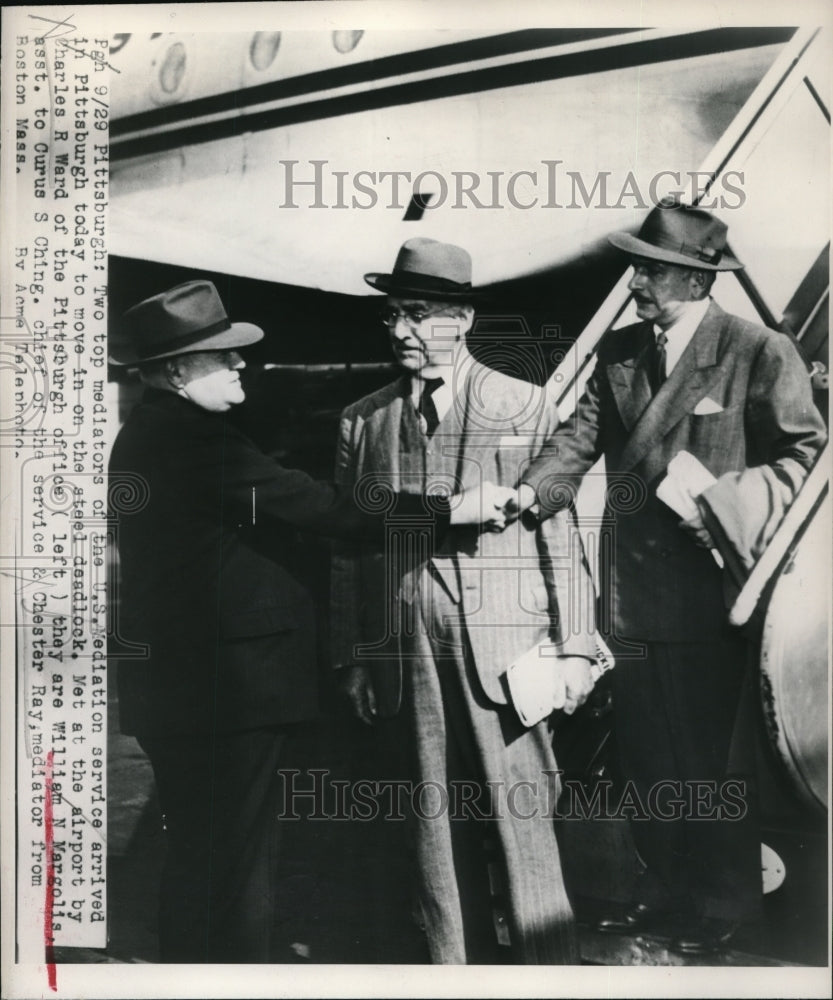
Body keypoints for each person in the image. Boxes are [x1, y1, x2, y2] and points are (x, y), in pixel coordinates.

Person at [108, 278, 509, 963]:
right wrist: (451, 511)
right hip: (225, 694)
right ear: (175, 370)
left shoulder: (158, 433)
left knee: (205, 860)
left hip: (192, 691)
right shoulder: (190, 441)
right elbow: (324, 510)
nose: (241, 365)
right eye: (221, 356)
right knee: (232, 870)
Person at [511, 201, 827, 954]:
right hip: (632, 597)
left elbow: (804, 457)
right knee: (649, 756)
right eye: (634, 268)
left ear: (693, 280)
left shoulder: (757, 349)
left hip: (714, 594)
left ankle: (724, 907)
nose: (634, 284)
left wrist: (719, 501)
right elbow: (577, 437)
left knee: (713, 764)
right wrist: (529, 492)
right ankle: (673, 891)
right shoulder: (620, 352)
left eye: (649, 271)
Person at [332, 238, 601, 964]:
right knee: (430, 821)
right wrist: (353, 658)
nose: (400, 331)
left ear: (462, 318)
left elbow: (559, 533)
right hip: (402, 651)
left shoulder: (521, 405)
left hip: (506, 647)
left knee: (524, 816)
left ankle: (548, 967)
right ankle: (454, 970)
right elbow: (348, 549)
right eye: (392, 316)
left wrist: (576, 644)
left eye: (417, 314)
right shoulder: (363, 419)